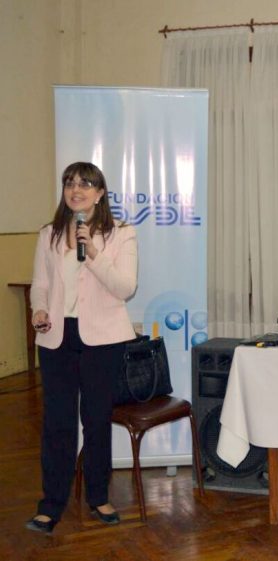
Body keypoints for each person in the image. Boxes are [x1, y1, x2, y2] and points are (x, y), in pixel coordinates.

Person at [26, 162, 138, 534]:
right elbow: (40, 284)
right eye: (70, 183)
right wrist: (38, 309)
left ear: (100, 193)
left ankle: (98, 496)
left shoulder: (121, 234)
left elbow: (125, 288)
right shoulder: (49, 234)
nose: (77, 189)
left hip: (102, 339)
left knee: (95, 420)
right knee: (57, 423)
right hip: (57, 336)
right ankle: (51, 504)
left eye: (86, 184)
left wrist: (92, 252)